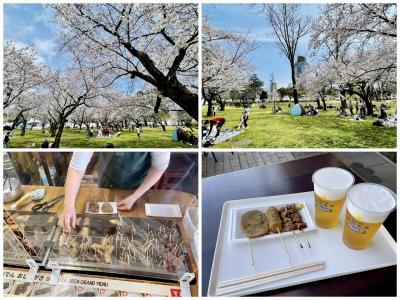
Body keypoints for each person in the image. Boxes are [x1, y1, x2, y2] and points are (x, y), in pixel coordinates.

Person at [58, 152, 170, 232]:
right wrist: (68, 206)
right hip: (107, 180)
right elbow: (77, 168)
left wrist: (134, 196)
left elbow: (159, 167)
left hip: (137, 185)